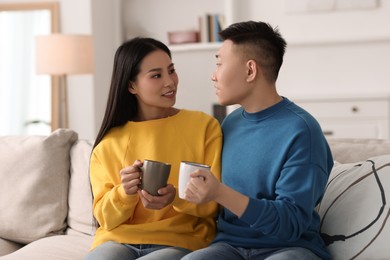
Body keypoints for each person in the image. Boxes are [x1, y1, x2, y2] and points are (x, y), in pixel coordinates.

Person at [181, 21, 334, 260]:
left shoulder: (302, 131)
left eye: (220, 63)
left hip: (289, 249)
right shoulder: (229, 124)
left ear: (250, 70)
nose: (213, 74)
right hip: (229, 246)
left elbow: (290, 224)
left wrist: (220, 192)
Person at [84, 37, 222, 260]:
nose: (170, 82)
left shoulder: (204, 127)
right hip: (118, 239)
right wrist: (124, 192)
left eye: (171, 70)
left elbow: (214, 204)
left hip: (181, 240)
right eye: (157, 75)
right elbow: (105, 218)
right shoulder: (108, 144)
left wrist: (175, 198)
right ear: (131, 85)